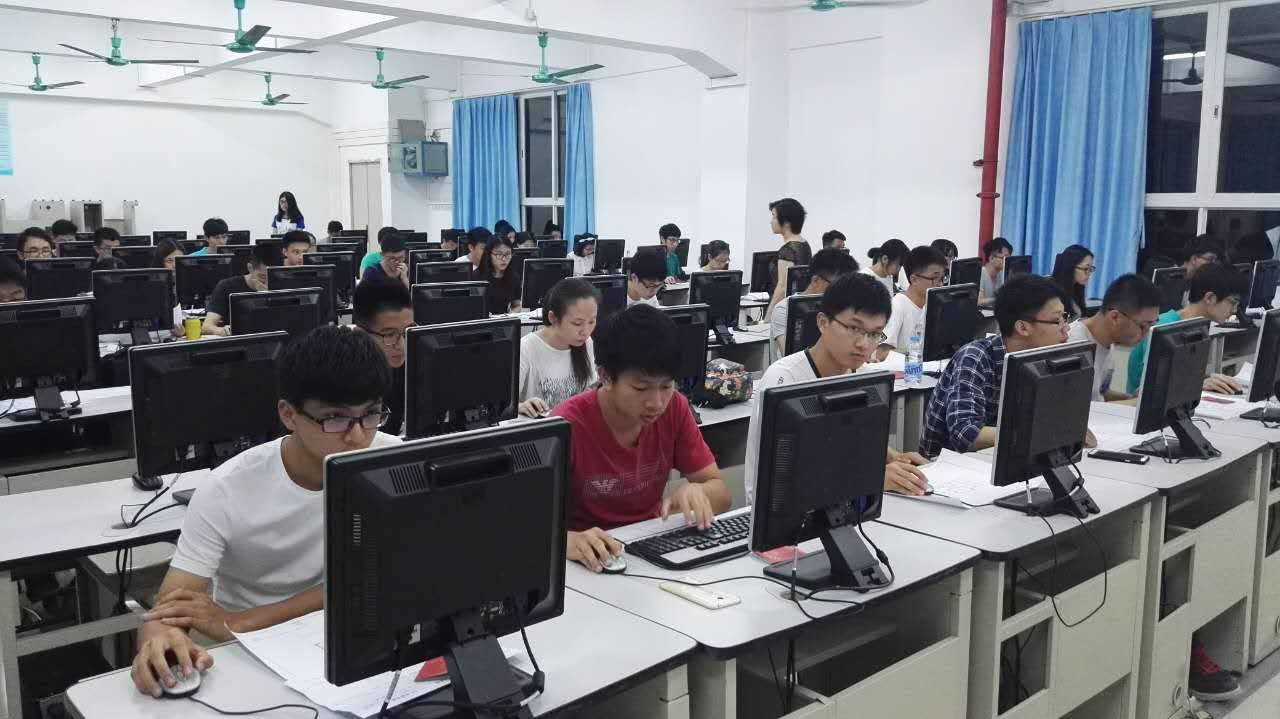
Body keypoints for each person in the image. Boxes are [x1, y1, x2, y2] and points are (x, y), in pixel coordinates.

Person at [128, 326, 398, 698]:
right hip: (244, 652)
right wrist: (160, 642)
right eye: (335, 418)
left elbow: (380, 575)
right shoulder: (226, 489)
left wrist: (245, 621)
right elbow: (170, 607)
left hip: (340, 632)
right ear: (289, 415)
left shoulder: (391, 462)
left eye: (370, 414)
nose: (357, 436)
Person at [551, 305, 731, 572]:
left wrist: (699, 492)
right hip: (589, 562)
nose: (656, 402)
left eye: (666, 386)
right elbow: (526, 524)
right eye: (640, 388)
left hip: (648, 549)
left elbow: (721, 493)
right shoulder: (567, 425)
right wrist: (566, 541)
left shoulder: (675, 408)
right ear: (605, 376)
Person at [747, 273, 931, 499]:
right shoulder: (784, 381)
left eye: (874, 334)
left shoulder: (862, 376)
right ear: (823, 323)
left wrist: (894, 457)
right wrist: (872, 478)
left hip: (842, 503)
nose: (864, 344)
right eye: (854, 328)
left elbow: (848, 443)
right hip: (789, 510)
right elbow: (784, 476)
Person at [919, 275, 1075, 458]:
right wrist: (1037, 433)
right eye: (1057, 321)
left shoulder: (1042, 359)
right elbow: (965, 434)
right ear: (1023, 328)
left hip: (1004, 456)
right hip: (948, 465)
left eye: (1065, 317)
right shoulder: (974, 358)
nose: (1066, 328)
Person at [1125, 262, 1246, 396]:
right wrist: (1197, 384)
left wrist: (1208, 379)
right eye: (1233, 302)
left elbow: (1179, 376)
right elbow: (1148, 388)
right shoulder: (1163, 328)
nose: (1234, 310)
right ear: (1210, 298)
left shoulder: (1197, 327)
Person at [1066, 274, 1161, 402]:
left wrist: (1132, 398)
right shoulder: (1075, 345)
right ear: (1115, 317)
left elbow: (1100, 393)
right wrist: (1136, 403)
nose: (1146, 334)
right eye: (1143, 326)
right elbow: (1083, 408)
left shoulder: (1106, 340)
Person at [519, 278, 599, 418]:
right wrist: (520, 406)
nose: (586, 331)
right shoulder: (526, 348)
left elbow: (591, 389)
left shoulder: (587, 343)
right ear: (553, 317)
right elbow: (504, 406)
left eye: (592, 321)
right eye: (577, 323)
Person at [770, 248, 858, 358]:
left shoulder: (841, 308)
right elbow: (792, 357)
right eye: (839, 286)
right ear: (816, 281)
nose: (843, 293)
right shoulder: (784, 309)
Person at [353, 279, 413, 436]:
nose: (401, 345)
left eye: (408, 331)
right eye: (389, 334)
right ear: (361, 335)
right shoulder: (343, 377)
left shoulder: (413, 365)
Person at [877, 245, 947, 359]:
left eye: (942, 278)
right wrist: (913, 361)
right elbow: (881, 353)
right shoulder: (897, 305)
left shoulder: (933, 305)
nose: (940, 284)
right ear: (914, 279)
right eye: (935, 278)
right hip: (907, 368)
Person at [202, 244, 278, 336]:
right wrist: (220, 331)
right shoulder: (227, 286)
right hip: (241, 341)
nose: (267, 282)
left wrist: (268, 296)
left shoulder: (282, 285)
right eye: (262, 277)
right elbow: (206, 327)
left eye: (272, 276)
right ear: (250, 268)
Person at [766, 198, 811, 319]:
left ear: (786, 222)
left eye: (774, 217)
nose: (771, 221)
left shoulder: (787, 251)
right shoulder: (804, 244)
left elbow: (782, 287)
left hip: (783, 311)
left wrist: (768, 316)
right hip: (797, 308)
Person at [477, 233, 521, 314]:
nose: (504, 259)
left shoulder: (513, 277)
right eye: (499, 254)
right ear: (489, 254)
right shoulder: (477, 276)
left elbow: (517, 305)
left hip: (505, 319)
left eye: (507, 254)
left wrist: (511, 314)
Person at [1051, 244, 1094, 318]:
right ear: (1071, 267)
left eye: (1091, 268)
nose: (1089, 273)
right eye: (1085, 269)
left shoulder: (1076, 288)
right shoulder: (1053, 293)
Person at [978, 237, 1014, 302]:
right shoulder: (980, 274)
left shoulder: (1001, 274)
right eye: (1003, 258)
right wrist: (1000, 299)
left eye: (1008, 258)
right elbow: (979, 301)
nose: (1007, 261)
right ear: (991, 258)